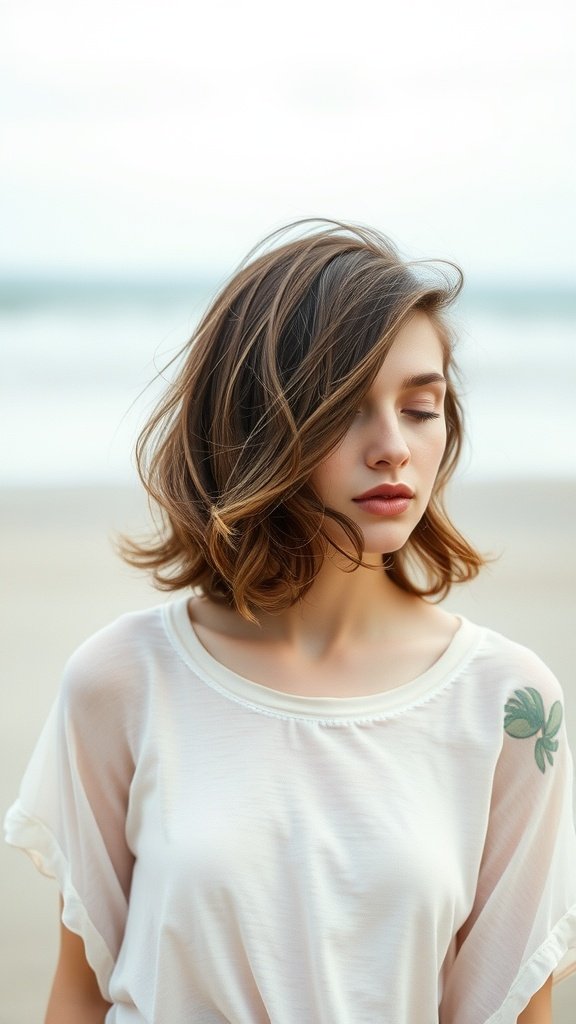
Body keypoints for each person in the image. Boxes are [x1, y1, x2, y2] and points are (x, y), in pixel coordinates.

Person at [4, 219, 576, 1024]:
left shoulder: (513, 706)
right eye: (346, 410)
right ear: (257, 423)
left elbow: (513, 1009)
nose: (392, 449)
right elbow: (81, 994)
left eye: (421, 408)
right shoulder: (123, 679)